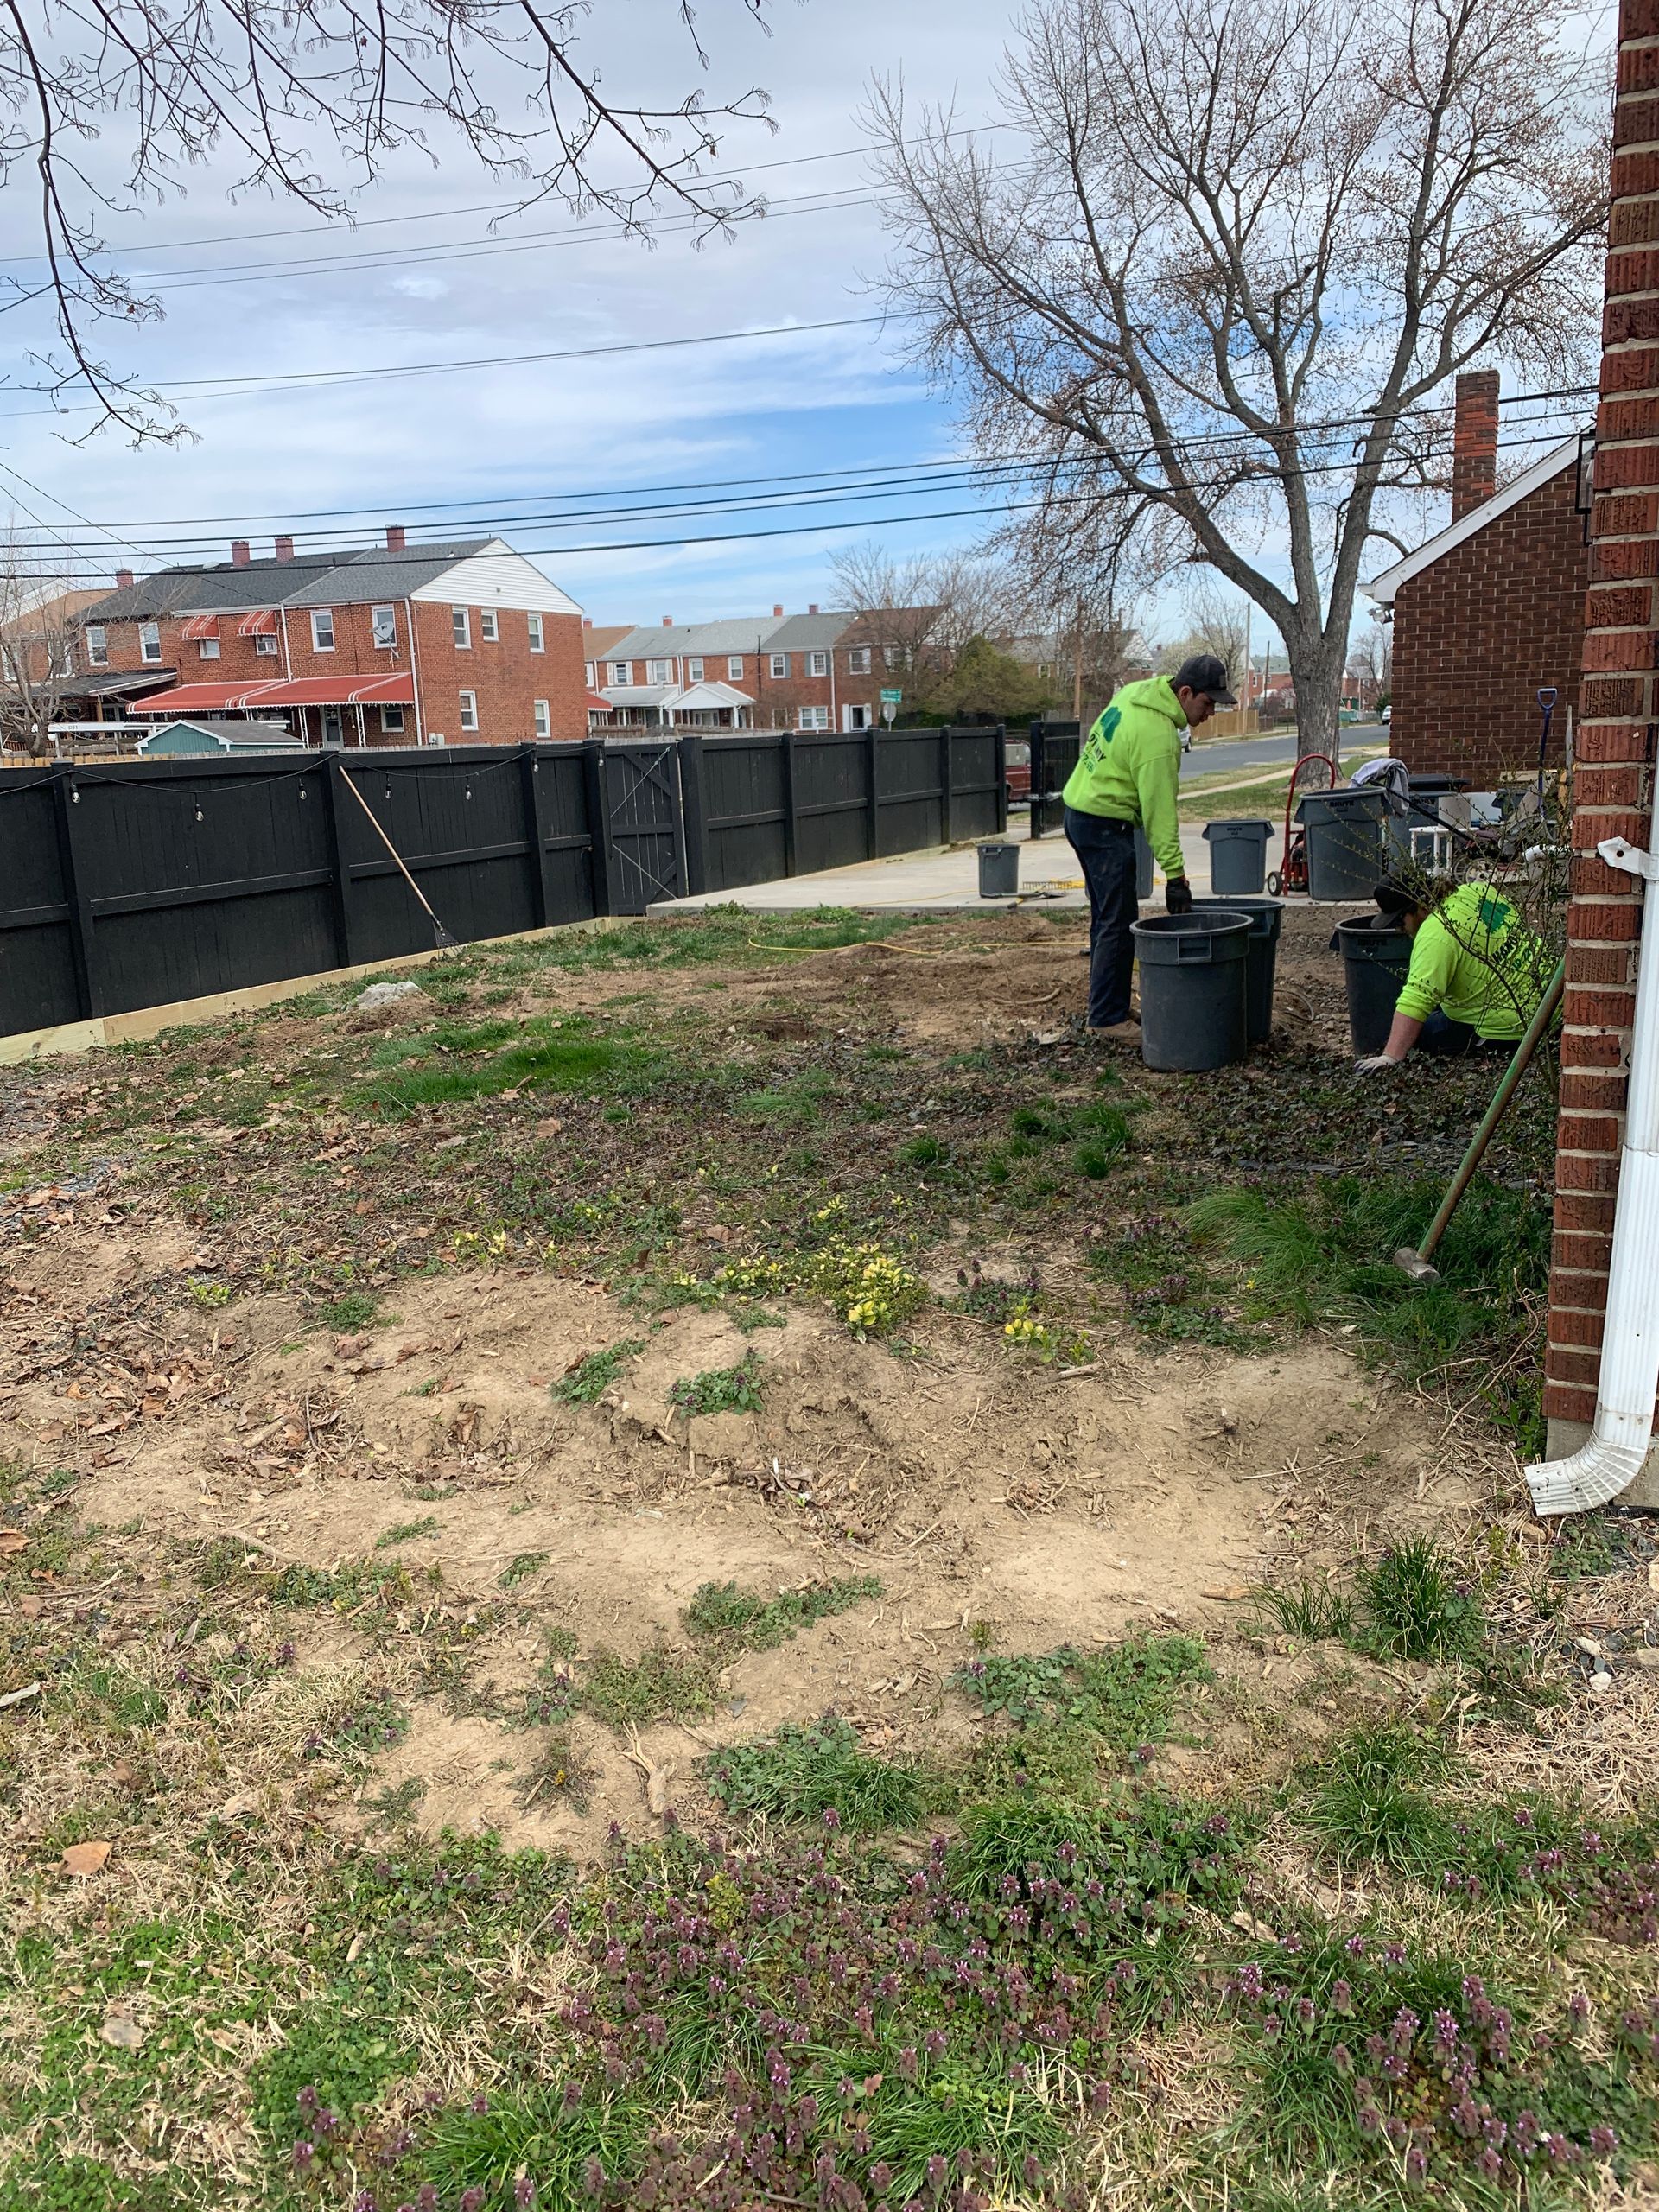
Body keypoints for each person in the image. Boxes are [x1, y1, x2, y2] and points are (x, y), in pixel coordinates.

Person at [1062, 653, 1236, 1044]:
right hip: (1102, 823)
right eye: (1208, 703)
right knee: (1118, 922)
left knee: (1107, 917)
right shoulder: (1158, 739)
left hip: (1080, 809)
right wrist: (1176, 877)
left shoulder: (1140, 692)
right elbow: (1160, 817)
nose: (1211, 713)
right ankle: (1107, 1017)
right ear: (1186, 692)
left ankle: (1110, 1004)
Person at [1356, 877, 1550, 1071]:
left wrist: (1389, 1057)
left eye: (1399, 921)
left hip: (1513, 1030)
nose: (1399, 929)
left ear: (1420, 907)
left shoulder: (1435, 933)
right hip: (1552, 1002)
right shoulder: (1475, 891)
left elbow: (1415, 1000)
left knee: (1422, 1031)